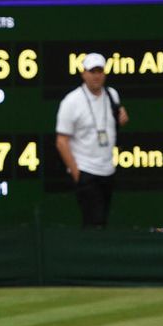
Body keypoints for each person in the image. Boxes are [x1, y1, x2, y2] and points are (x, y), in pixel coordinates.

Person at [55, 53, 130, 228]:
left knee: (102, 221)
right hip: (86, 171)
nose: (96, 75)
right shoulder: (71, 101)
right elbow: (61, 141)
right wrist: (78, 175)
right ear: (84, 74)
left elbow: (115, 121)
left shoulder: (112, 95)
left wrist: (122, 118)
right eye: (92, 71)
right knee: (94, 223)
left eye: (100, 71)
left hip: (108, 170)